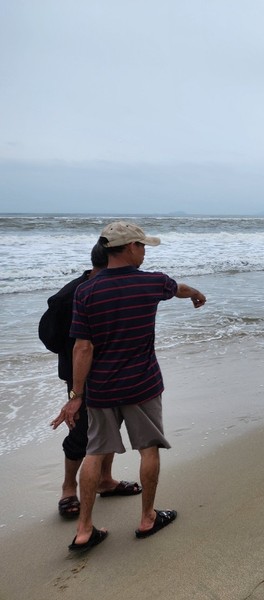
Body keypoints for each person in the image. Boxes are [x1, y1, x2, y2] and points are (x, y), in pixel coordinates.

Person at [50, 221, 206, 552]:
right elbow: (177, 288)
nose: (145, 251)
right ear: (130, 247)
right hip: (143, 385)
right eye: (143, 246)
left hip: (102, 389)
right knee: (148, 449)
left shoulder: (86, 291)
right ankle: (148, 517)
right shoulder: (152, 283)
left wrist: (76, 396)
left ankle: (84, 529)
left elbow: (83, 348)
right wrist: (195, 294)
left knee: (94, 452)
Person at [42, 243, 142, 519]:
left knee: (111, 427)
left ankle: (104, 480)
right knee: (81, 433)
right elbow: (51, 339)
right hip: (83, 377)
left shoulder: (119, 285)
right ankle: (67, 489)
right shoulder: (69, 296)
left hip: (116, 369)